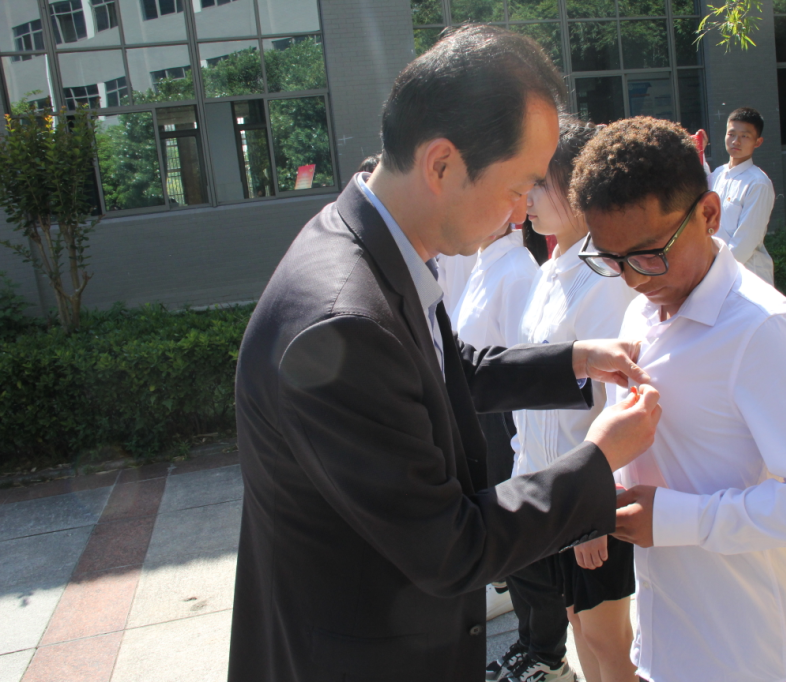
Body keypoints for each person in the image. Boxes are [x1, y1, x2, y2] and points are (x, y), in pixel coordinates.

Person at [227, 27, 662, 682]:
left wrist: (572, 360)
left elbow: (447, 370)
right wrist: (598, 461)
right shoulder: (343, 321)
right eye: (518, 186)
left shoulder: (377, 248)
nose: (520, 212)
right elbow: (451, 547)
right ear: (441, 165)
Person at [571, 117, 786, 682]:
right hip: (666, 641)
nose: (632, 279)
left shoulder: (765, 331)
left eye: (649, 254)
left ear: (709, 214)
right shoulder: (642, 310)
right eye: (610, 260)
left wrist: (680, 519)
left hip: (748, 655)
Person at [487, 118, 639, 682]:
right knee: (580, 626)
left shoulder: (603, 277)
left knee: (609, 641)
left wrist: (595, 507)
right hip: (552, 488)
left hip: (587, 493)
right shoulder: (552, 268)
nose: (526, 198)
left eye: (539, 184)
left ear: (577, 188)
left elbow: (617, 401)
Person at [449, 222, 540, 621]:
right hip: (480, 413)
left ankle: (541, 641)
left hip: (503, 417)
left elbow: (522, 361)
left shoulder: (517, 270)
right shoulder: (485, 261)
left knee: (509, 523)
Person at [709, 107, 776, 284]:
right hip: (716, 272)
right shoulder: (717, 174)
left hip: (747, 277)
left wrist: (713, 275)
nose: (736, 141)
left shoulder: (758, 183)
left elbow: (746, 241)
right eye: (731, 134)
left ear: (758, 142)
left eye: (744, 136)